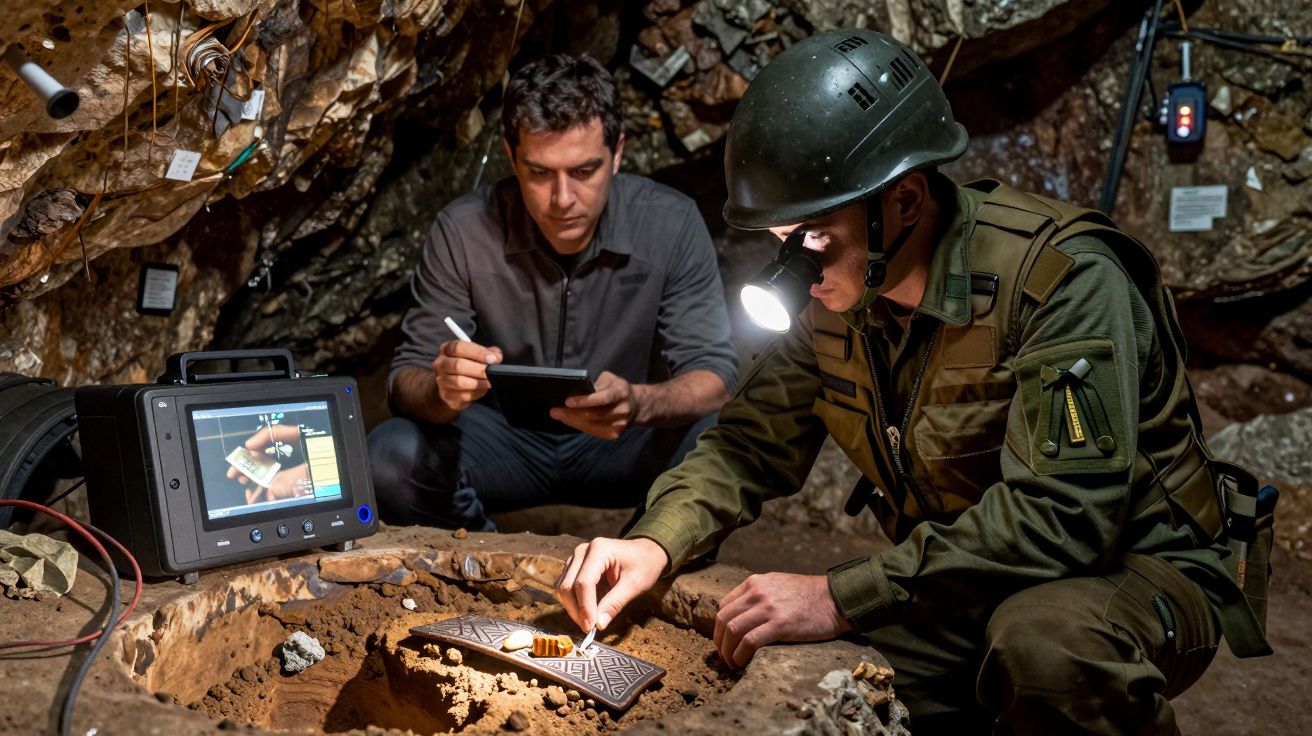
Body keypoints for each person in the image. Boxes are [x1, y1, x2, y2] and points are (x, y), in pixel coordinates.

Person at [556, 29, 1271, 733]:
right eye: (779, 243)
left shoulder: (1063, 281)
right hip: (968, 574)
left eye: (812, 238)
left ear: (904, 199)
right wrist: (654, 542)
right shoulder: (836, 299)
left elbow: (1064, 518)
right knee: (805, 677)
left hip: (1136, 567)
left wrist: (840, 594)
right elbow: (745, 447)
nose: (794, 268)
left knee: (1045, 647)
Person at [368, 53, 737, 532]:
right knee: (388, 455)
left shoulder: (670, 222)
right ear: (511, 157)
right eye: (540, 173)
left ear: (617, 154)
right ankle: (485, 567)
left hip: (619, 440)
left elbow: (716, 375)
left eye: (585, 171)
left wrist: (637, 402)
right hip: (503, 441)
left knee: (723, 443)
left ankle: (638, 564)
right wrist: (443, 388)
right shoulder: (463, 230)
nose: (563, 200)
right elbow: (405, 382)